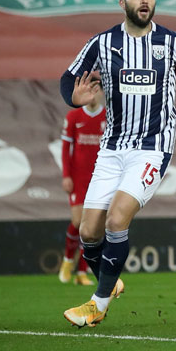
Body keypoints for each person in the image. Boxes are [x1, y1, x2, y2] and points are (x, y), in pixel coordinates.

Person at [60, 0, 176, 328]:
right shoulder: (102, 43)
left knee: (117, 220)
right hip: (112, 148)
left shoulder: (172, 41)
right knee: (88, 232)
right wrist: (74, 97)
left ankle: (97, 304)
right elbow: (68, 78)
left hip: (152, 147)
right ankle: (109, 280)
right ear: (123, 3)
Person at [58, 86, 106, 287]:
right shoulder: (74, 116)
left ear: (102, 93)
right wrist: (66, 175)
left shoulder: (108, 117)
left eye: (96, 90)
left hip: (101, 178)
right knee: (78, 222)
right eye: (90, 90)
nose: (92, 94)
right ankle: (69, 259)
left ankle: (82, 271)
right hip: (78, 178)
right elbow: (65, 148)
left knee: (93, 227)